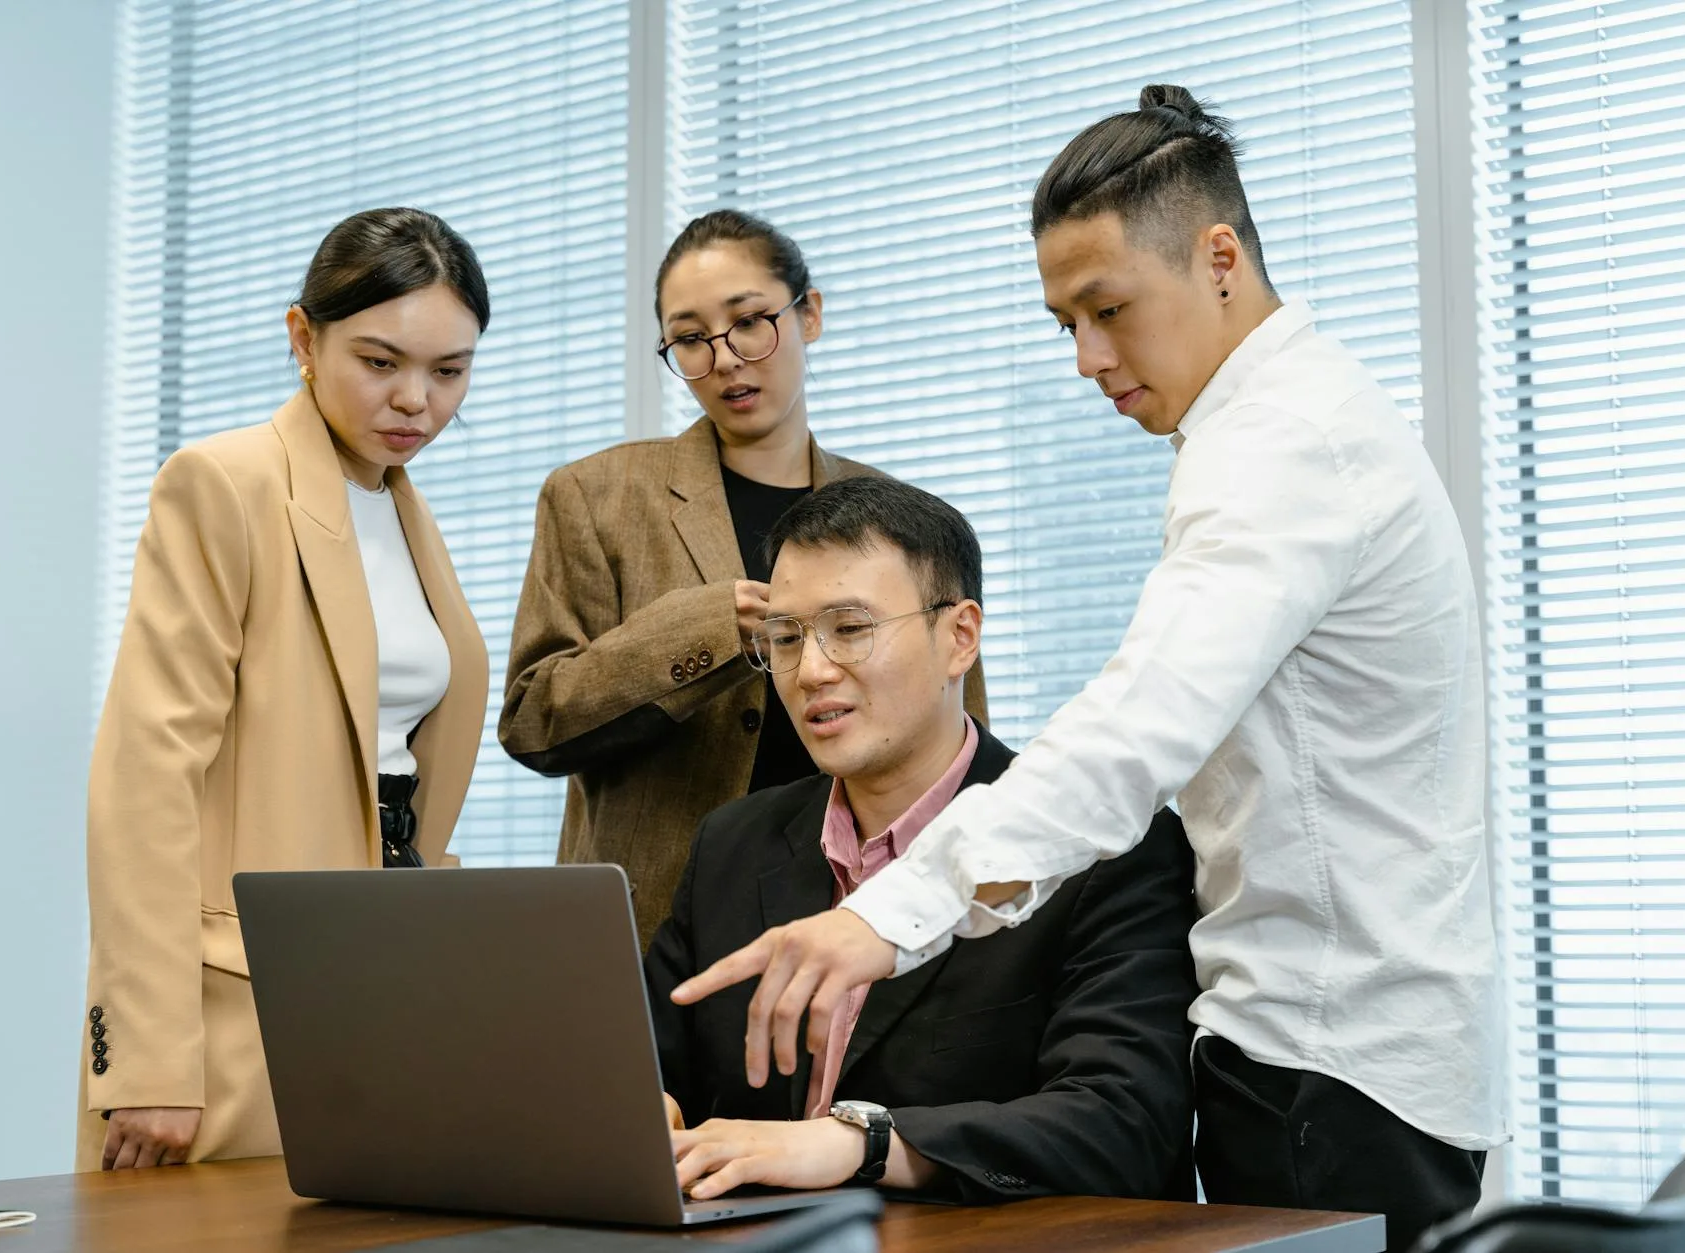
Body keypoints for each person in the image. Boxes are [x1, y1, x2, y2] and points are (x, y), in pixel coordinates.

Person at [673, 86, 1506, 1251]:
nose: (1084, 357)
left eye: (1107, 308)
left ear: (1218, 256)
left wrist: (883, 916)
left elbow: (1132, 728)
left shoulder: (1281, 448)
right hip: (1337, 1045)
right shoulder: (1264, 429)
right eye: (1064, 320)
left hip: (1329, 1057)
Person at [646, 476, 1197, 1204]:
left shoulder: (1097, 845)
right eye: (784, 638)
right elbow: (643, 1060)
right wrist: (640, 1107)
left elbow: (1124, 1123)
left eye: (849, 628)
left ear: (958, 637)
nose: (811, 670)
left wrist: (859, 1143)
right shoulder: (734, 840)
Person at [79, 207, 493, 1171]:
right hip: (238, 998)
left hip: (382, 976)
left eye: (449, 371)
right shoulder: (225, 482)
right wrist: (148, 1055)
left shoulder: (403, 508)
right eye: (380, 361)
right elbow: (145, 776)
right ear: (303, 338)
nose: (416, 401)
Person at [500, 210, 985, 947]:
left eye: (750, 322)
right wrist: (699, 631)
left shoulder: (902, 518)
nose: (725, 359)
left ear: (809, 313)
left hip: (868, 911)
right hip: (655, 924)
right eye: (690, 339)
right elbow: (534, 722)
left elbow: (959, 723)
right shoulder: (595, 497)